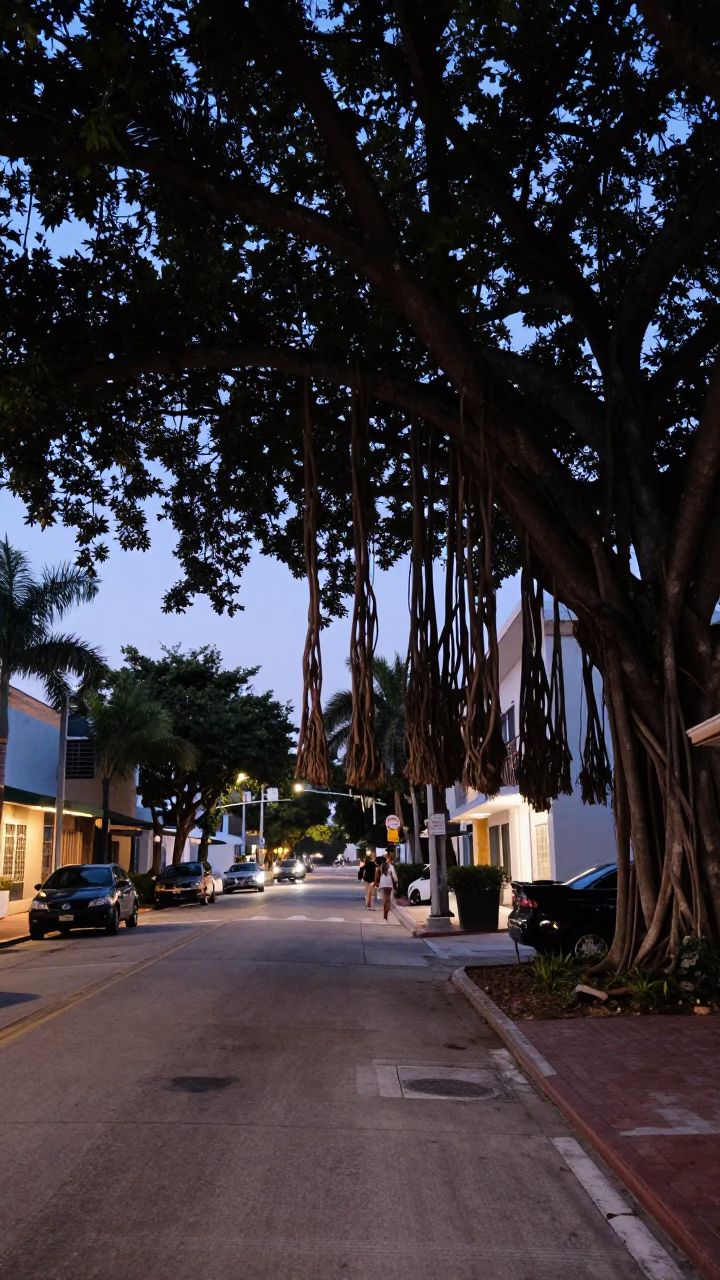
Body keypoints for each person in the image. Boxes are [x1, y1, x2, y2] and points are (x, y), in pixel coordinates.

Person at [378, 852, 398, 921]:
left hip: (382, 883)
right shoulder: (391, 866)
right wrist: (396, 881)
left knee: (385, 899)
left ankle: (384, 914)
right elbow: (394, 876)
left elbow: (380, 873)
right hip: (388, 883)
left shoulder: (382, 865)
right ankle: (385, 915)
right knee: (388, 899)